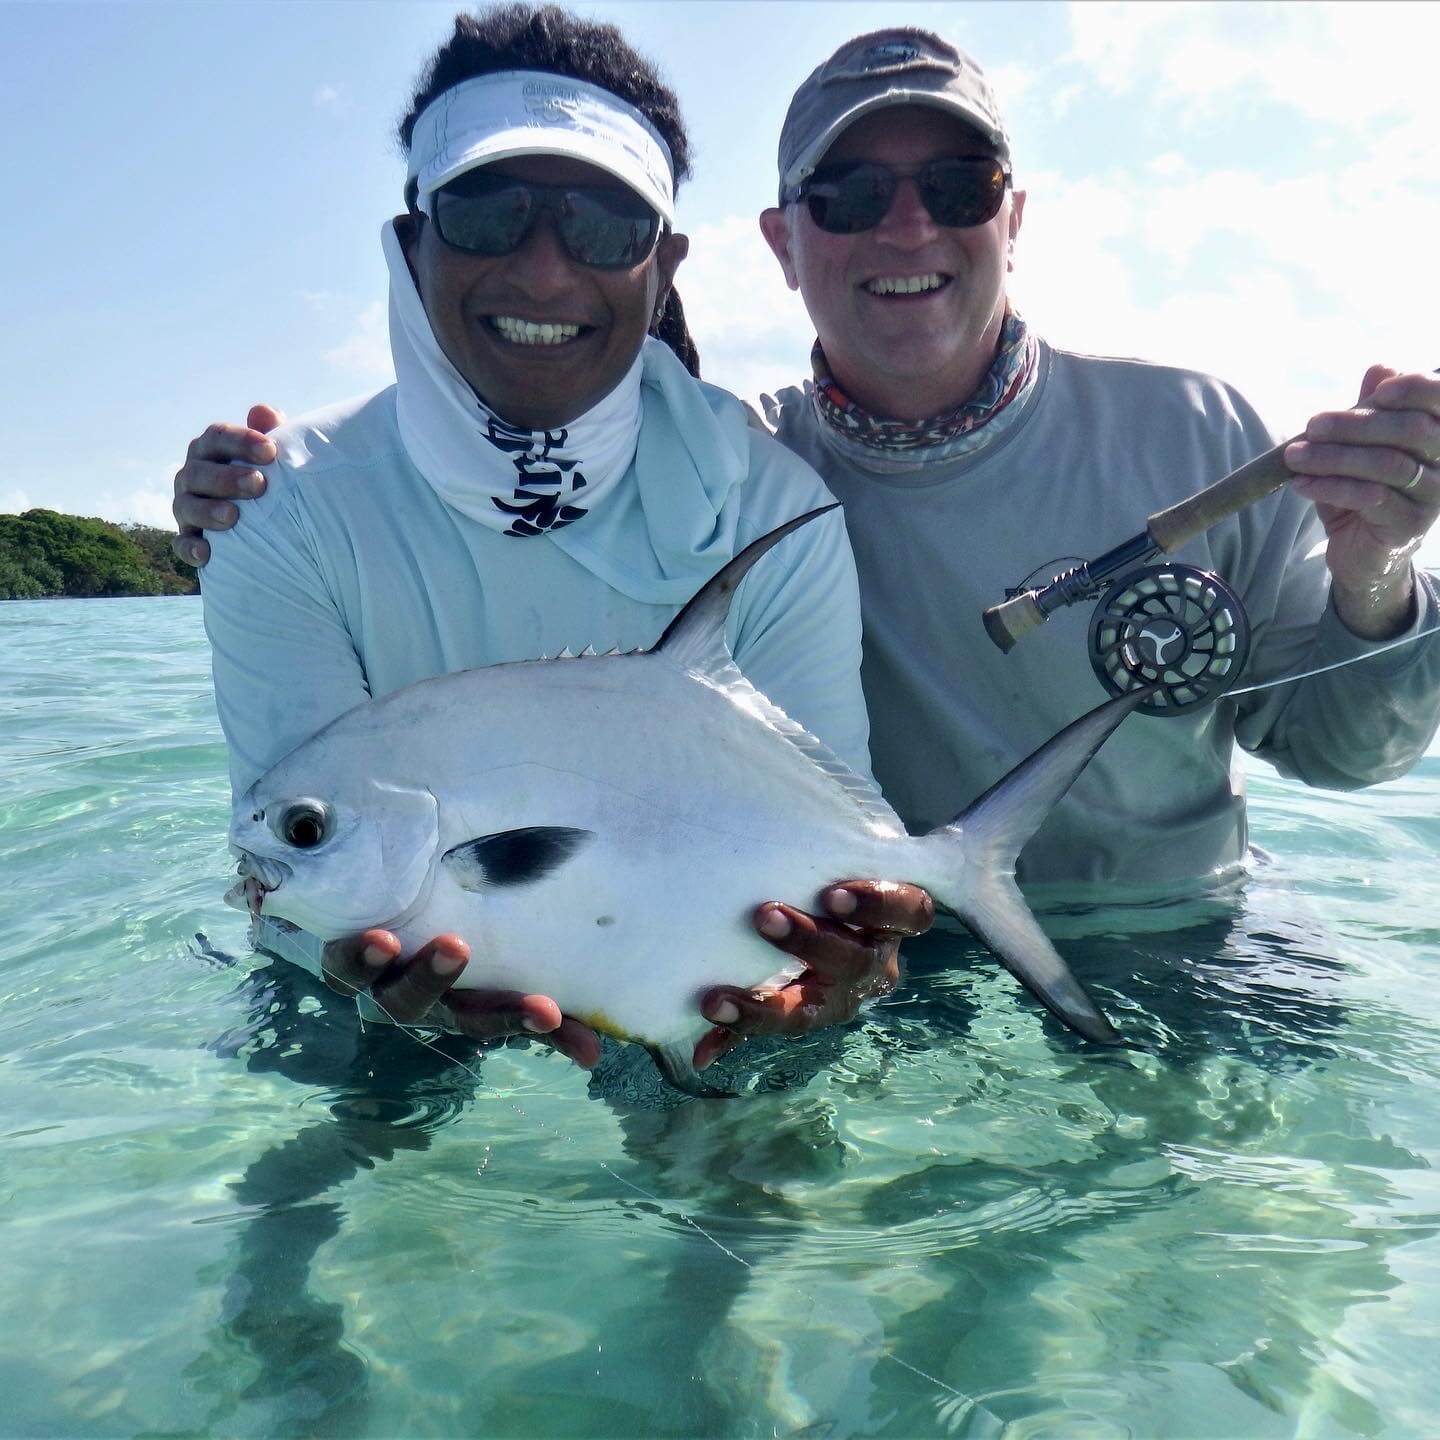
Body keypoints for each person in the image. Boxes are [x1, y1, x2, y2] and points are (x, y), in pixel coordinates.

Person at [178, 27, 1440, 1041]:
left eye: (957, 186)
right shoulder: (751, 479)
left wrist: (1378, 570)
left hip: (1197, 930)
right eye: (848, 195)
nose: (907, 229)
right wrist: (246, 508)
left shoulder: (1184, 427)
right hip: (919, 965)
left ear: (1014, 215)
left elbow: (1344, 752)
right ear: (782, 244)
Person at [195, 5, 932, 1079]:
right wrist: (349, 972)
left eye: (601, 226)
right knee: (333, 1156)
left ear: (663, 264)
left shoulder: (773, 513)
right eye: (490, 212)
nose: (544, 274)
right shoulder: (278, 507)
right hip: (362, 999)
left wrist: (849, 953)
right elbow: (301, 880)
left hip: (687, 971)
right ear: (412, 239)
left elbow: (831, 869)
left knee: (750, 1158)